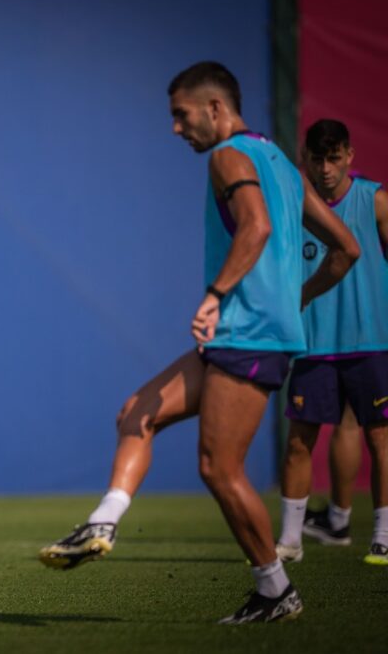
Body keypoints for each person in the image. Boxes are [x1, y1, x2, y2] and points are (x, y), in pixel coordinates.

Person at [40, 62, 360, 624]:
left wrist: (217, 294)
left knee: (218, 468)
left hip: (247, 333)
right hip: (254, 331)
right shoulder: (285, 164)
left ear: (215, 108)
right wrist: (295, 297)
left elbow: (256, 226)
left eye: (180, 115)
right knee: (137, 411)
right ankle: (104, 520)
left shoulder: (227, 156)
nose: (175, 128)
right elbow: (347, 249)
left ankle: (274, 589)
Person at [277, 119, 388, 567]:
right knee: (299, 442)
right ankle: (289, 541)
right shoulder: (290, 205)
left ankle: (383, 536)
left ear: (350, 156)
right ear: (304, 158)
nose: (326, 169)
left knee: (380, 438)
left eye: (335, 157)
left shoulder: (376, 201)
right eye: (317, 158)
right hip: (313, 344)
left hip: (371, 343)